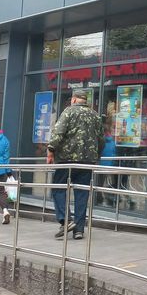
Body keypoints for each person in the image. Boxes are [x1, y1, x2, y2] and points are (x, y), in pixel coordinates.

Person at [48, 90, 103, 240]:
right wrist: (96, 156)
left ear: (73, 100)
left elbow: (58, 133)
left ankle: (66, 221)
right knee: (82, 194)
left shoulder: (68, 112)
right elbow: (101, 139)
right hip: (87, 161)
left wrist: (51, 150)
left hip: (67, 160)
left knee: (58, 188)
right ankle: (79, 230)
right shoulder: (95, 115)